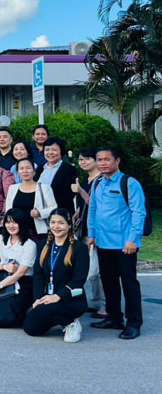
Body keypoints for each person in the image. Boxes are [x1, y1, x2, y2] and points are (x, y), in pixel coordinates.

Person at [88, 146, 146, 340]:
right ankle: (114, 318)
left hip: (124, 244)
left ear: (117, 161)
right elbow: (93, 210)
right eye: (100, 159)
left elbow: (139, 213)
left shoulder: (129, 183)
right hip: (103, 243)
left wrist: (133, 239)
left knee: (129, 284)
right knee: (109, 283)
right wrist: (92, 234)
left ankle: (134, 323)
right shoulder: (97, 183)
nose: (103, 163)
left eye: (107, 159)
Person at [24, 208, 89, 343]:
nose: (56, 226)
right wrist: (37, 299)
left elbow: (79, 280)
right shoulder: (43, 245)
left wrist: (57, 296)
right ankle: (57, 319)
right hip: (48, 297)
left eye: (61, 223)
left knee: (44, 311)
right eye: (53, 222)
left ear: (69, 225)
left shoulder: (79, 248)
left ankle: (71, 322)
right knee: (31, 328)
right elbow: (39, 275)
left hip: (70, 299)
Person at [71, 147, 106, 318]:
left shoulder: (101, 180)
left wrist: (81, 192)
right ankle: (95, 302)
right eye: (80, 159)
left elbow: (97, 205)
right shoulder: (86, 180)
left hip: (98, 231)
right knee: (89, 269)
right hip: (84, 229)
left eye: (87, 159)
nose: (83, 162)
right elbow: (84, 205)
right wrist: (77, 212)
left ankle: (106, 305)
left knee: (96, 270)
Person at [6, 158, 57, 241]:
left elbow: (54, 208)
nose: (25, 171)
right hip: (17, 232)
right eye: (21, 169)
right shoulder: (12, 188)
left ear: (34, 171)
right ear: (18, 172)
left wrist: (40, 213)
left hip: (37, 233)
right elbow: (8, 210)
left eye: (28, 168)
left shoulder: (44, 188)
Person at [37, 137, 78, 214]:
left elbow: (69, 195)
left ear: (61, 151)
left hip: (60, 213)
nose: (50, 153)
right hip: (40, 213)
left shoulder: (69, 169)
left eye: (54, 150)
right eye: (47, 150)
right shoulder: (39, 169)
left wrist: (50, 208)